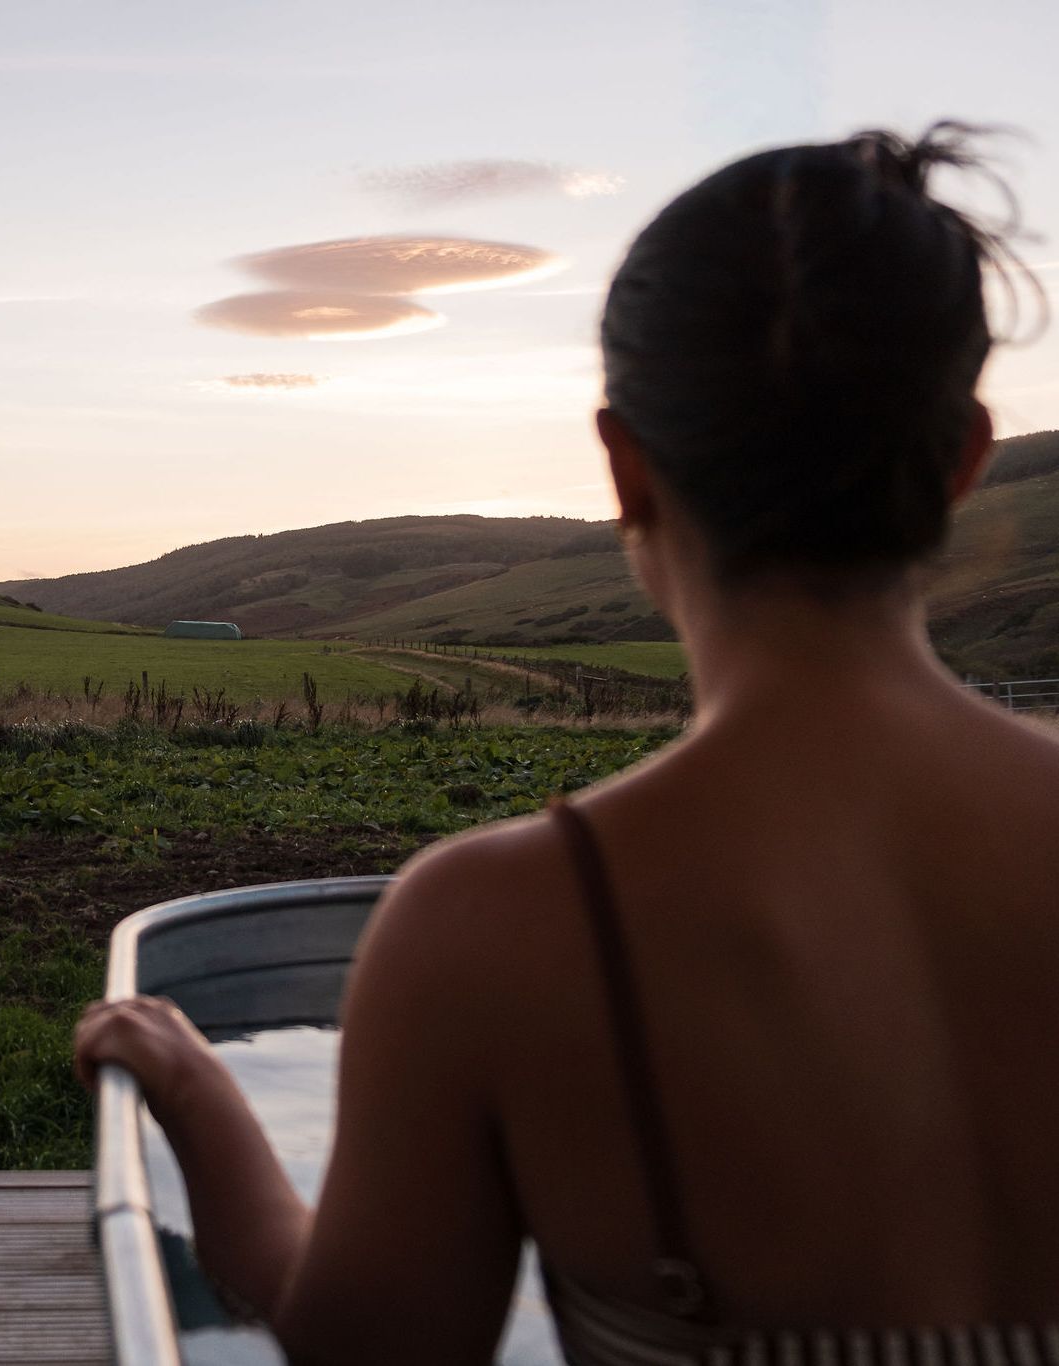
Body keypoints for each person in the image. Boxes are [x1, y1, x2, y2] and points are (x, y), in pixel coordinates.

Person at [74, 123, 1059, 1366]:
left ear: (624, 466)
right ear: (966, 457)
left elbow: (358, 1340)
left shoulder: (498, 927)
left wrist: (196, 1092)